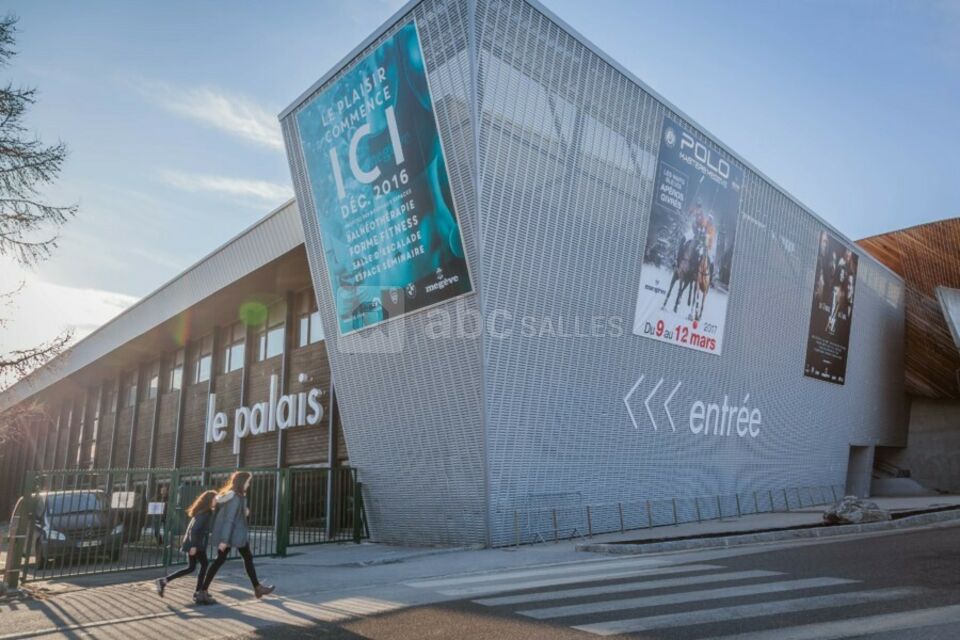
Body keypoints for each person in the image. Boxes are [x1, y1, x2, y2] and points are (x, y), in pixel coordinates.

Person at [199, 471, 275, 599]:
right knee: (220, 561)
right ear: (242, 482)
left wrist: (244, 512)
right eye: (247, 482)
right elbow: (229, 519)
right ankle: (203, 591)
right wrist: (224, 540)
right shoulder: (234, 497)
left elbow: (235, 515)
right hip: (231, 535)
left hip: (236, 534)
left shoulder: (239, 496)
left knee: (245, 557)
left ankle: (257, 588)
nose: (249, 484)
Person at [155, 489, 216, 605]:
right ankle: (199, 592)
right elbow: (194, 530)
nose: (216, 501)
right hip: (195, 544)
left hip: (193, 543)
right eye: (214, 499)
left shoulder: (202, 511)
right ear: (209, 500)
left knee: (192, 568)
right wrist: (193, 546)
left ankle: (163, 581)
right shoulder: (205, 513)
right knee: (204, 565)